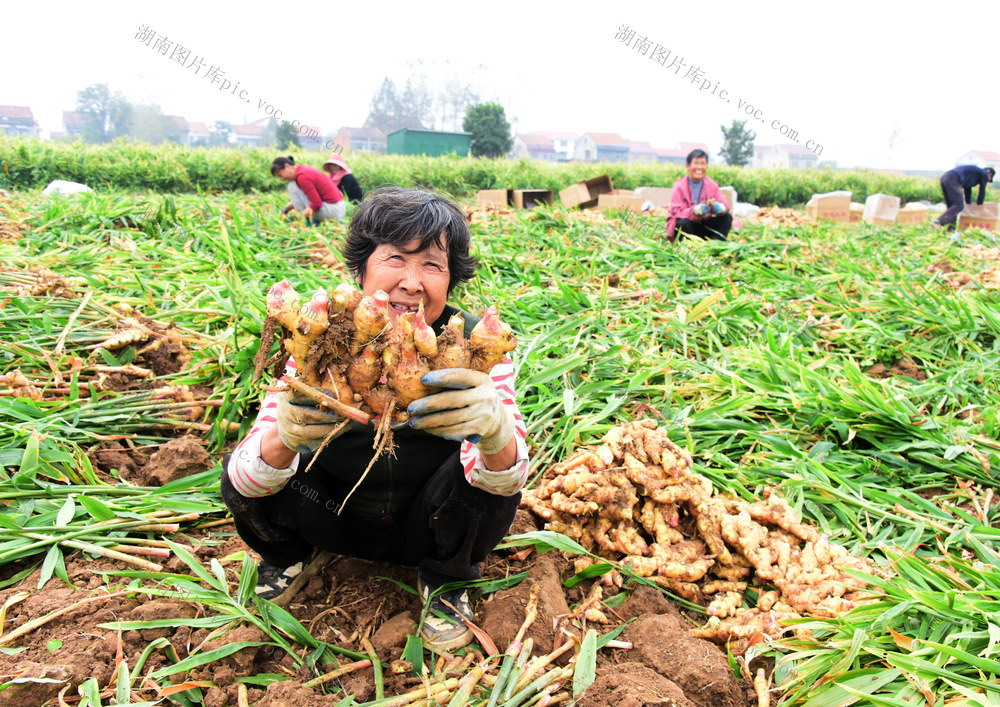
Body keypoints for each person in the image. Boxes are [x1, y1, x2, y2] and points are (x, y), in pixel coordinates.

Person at [221, 187, 529, 651]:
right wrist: (282, 437)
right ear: (362, 267)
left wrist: (496, 431)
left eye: (431, 264)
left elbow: (509, 482)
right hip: (332, 517)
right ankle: (292, 555)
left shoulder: (475, 346)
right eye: (394, 259)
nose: (411, 282)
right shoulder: (320, 336)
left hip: (426, 527)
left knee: (484, 479)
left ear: (451, 279)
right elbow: (247, 480)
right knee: (245, 469)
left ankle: (446, 579)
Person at [665, 149, 732, 243]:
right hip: (688, 228)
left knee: (727, 218)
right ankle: (691, 248)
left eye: (702, 163)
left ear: (706, 166)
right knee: (682, 223)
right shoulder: (679, 186)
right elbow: (676, 212)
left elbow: (725, 205)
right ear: (688, 166)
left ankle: (716, 245)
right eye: (696, 163)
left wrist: (721, 208)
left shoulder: (712, 185)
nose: (699, 167)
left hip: (704, 226)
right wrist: (694, 211)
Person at [271, 156, 346, 224]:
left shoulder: (302, 177)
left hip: (332, 210)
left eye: (280, 175)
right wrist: (286, 209)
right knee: (293, 185)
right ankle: (311, 220)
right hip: (338, 208)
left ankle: (308, 223)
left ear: (287, 166)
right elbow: (304, 198)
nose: (282, 179)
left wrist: (296, 218)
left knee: (292, 186)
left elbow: (316, 204)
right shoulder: (303, 170)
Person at [934, 165, 995, 231]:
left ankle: (951, 230)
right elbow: (982, 191)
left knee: (952, 207)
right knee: (959, 205)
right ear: (990, 174)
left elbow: (967, 190)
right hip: (954, 178)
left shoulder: (973, 174)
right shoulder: (984, 174)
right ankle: (939, 221)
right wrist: (980, 205)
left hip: (945, 177)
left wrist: (968, 204)